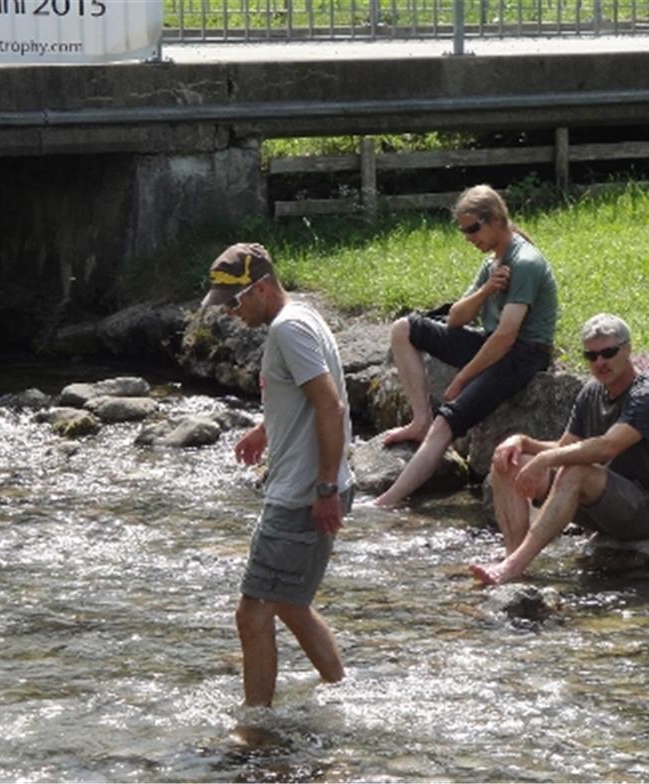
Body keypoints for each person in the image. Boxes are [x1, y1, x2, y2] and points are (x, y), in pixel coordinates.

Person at [201, 242, 354, 706]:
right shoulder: (301, 317)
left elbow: (330, 405)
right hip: (310, 487)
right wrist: (267, 428)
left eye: (234, 301)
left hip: (301, 494)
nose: (230, 312)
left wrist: (324, 487)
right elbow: (307, 395)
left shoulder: (288, 330)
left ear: (262, 287)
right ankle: (340, 689)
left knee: (251, 614)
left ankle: (255, 727)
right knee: (289, 602)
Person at [371, 184, 558, 508]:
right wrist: (485, 291)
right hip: (493, 342)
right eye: (463, 231)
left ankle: (387, 502)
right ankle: (419, 421)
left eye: (472, 228)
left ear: (495, 218)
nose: (468, 237)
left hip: (524, 354)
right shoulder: (493, 263)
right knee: (405, 328)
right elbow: (456, 319)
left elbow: (506, 337)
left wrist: (462, 378)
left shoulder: (525, 262)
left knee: (446, 422)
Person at [470, 313, 649, 585]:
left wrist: (544, 460)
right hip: (598, 505)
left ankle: (512, 565)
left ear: (627, 350)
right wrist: (521, 442)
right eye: (591, 356)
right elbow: (565, 447)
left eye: (608, 353)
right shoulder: (592, 392)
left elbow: (607, 447)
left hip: (646, 513)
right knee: (508, 460)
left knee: (575, 472)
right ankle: (514, 563)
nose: (600, 362)